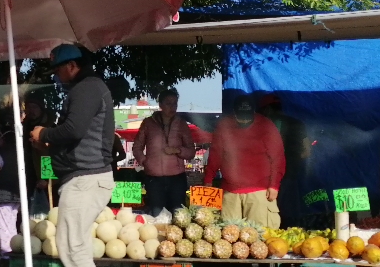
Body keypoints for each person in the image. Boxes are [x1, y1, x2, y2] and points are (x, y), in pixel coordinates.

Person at [30, 45, 119, 267]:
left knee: (71, 246)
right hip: (83, 177)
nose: (56, 75)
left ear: (71, 66)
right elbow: (73, 134)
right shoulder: (87, 89)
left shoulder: (86, 89)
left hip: (86, 179)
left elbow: (74, 130)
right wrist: (49, 143)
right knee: (74, 244)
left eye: (57, 69)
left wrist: (44, 133)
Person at [203, 95, 284, 229]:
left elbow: (278, 158)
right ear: (234, 113)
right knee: (229, 237)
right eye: (241, 116)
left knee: (260, 238)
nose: (245, 120)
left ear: (253, 112)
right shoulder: (224, 125)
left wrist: (274, 185)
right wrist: (208, 180)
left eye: (248, 116)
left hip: (259, 192)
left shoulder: (266, 125)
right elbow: (215, 154)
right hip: (231, 192)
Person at [132, 89, 195, 216]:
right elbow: (136, 148)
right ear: (160, 105)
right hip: (154, 179)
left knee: (179, 216)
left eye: (175, 104)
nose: (172, 107)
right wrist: (145, 162)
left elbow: (191, 152)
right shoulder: (148, 123)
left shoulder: (182, 124)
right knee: (157, 215)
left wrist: (178, 150)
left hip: (177, 178)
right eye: (168, 103)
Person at [258, 94, 309, 227]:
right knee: (292, 209)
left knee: (274, 212)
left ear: (267, 109)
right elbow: (306, 151)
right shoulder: (298, 123)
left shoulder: (266, 125)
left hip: (272, 177)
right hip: (294, 173)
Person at [0, 128, 23, 257]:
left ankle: (6, 255)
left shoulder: (0, 155)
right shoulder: (21, 156)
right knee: (11, 225)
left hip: (1, 196)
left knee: (3, 226)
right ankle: (13, 252)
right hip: (18, 195)